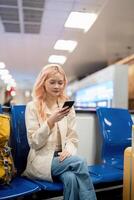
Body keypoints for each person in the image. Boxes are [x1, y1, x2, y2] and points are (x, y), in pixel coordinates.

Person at [23, 64, 97, 200]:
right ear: (43, 83)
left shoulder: (66, 106)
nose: (57, 86)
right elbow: (34, 143)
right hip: (41, 160)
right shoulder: (32, 107)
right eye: (52, 82)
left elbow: (72, 137)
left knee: (70, 178)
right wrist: (50, 122)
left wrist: (68, 150)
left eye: (60, 82)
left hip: (62, 158)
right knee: (80, 162)